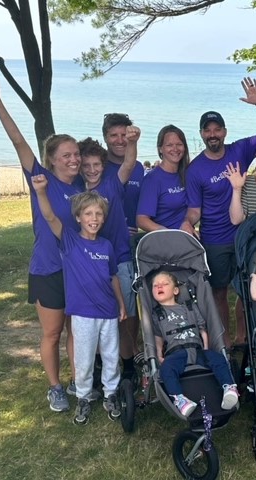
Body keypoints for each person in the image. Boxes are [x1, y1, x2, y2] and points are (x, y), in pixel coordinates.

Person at [0, 74, 82, 412]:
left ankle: (79, 381)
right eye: (66, 155)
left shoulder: (83, 187)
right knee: (53, 333)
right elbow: (18, 141)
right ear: (52, 159)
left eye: (76, 154)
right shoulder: (40, 178)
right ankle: (55, 388)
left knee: (75, 332)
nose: (74, 159)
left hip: (77, 270)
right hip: (48, 269)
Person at [181, 77, 256, 348]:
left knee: (249, 289)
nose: (213, 134)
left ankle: (244, 336)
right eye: (207, 130)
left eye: (217, 129)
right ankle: (225, 340)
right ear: (202, 134)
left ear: (224, 131)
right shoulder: (195, 169)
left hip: (245, 235)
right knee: (219, 292)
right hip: (215, 240)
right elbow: (194, 210)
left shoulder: (240, 150)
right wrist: (187, 223)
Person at [32, 175, 126, 425]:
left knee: (110, 356)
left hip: (107, 312)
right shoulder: (70, 241)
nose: (93, 219)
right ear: (78, 218)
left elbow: (113, 277)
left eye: (98, 214)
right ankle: (83, 397)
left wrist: (122, 304)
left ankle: (111, 394)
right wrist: (41, 192)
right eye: (88, 214)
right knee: (83, 359)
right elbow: (50, 217)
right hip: (83, 314)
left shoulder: (106, 246)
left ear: (103, 218)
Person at [77, 128, 141, 387]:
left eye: (96, 164)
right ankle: (97, 366)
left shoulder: (113, 183)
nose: (92, 169)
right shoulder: (77, 191)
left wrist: (133, 142)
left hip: (120, 259)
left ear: (103, 165)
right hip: (89, 264)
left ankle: (128, 366)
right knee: (93, 317)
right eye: (86, 165)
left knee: (124, 316)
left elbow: (129, 162)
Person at [151, 271, 239, 416]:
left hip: (197, 349)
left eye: (164, 284)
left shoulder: (189, 307)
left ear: (175, 290)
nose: (159, 287)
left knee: (218, 359)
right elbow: (158, 336)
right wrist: (159, 354)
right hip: (176, 352)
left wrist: (205, 346)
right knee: (166, 368)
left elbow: (202, 329)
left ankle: (229, 388)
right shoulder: (157, 314)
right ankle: (180, 400)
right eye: (155, 285)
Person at [101, 113, 144, 372]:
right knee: (109, 305)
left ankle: (132, 348)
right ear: (105, 137)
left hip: (132, 245)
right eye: (113, 135)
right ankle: (109, 356)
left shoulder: (137, 166)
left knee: (132, 304)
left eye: (123, 135)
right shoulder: (95, 166)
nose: (119, 140)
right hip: (105, 245)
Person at [136, 125, 190, 231]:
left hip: (187, 237)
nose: (175, 149)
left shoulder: (188, 173)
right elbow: (141, 220)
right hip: (165, 241)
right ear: (160, 149)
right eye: (169, 145)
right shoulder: (153, 180)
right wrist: (166, 233)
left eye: (179, 144)